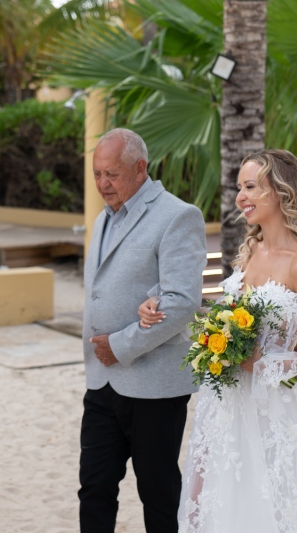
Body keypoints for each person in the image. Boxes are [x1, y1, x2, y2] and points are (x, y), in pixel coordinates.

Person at [147, 149, 297, 532]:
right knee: (208, 497)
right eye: (239, 188)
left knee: (278, 503)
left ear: (279, 192)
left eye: (250, 187)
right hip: (224, 400)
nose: (240, 197)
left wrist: (269, 363)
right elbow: (226, 317)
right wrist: (205, 333)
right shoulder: (248, 253)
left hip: (271, 405)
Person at [80, 128, 207, 532]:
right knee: (94, 488)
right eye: (97, 174)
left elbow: (182, 301)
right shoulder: (103, 217)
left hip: (155, 386)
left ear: (140, 168)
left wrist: (119, 345)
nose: (103, 184)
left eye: (112, 174)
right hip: (101, 383)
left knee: (158, 493)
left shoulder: (178, 215)